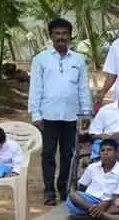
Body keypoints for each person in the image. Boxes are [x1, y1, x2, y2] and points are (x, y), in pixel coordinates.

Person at [29, 17, 93, 206]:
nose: (61, 37)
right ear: (51, 36)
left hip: (72, 116)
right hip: (48, 115)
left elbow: (83, 88)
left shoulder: (78, 59)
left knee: (69, 154)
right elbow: (36, 88)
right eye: (57, 33)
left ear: (70, 36)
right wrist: (35, 114)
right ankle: (49, 191)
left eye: (64, 33)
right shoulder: (40, 59)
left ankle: (64, 188)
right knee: (48, 153)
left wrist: (86, 113)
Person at [65, 137, 119, 220]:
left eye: (109, 150)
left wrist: (105, 203)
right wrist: (85, 201)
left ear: (116, 152)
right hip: (90, 201)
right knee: (73, 195)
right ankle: (105, 216)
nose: (105, 153)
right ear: (99, 153)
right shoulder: (92, 167)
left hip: (110, 202)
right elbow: (82, 187)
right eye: (102, 150)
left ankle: (88, 215)